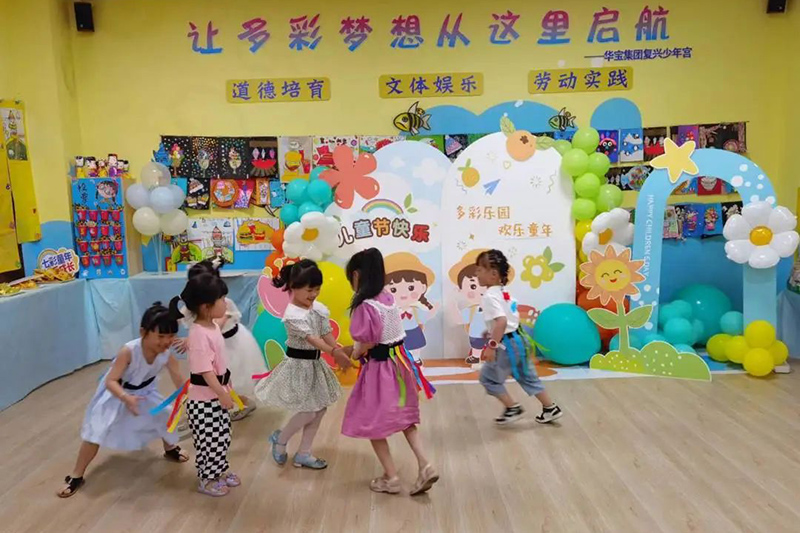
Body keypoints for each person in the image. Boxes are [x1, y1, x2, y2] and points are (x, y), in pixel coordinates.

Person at [57, 302, 189, 498]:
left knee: (164, 416)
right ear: (143, 332)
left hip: (144, 392)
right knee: (95, 432)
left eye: (171, 336)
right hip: (117, 393)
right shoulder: (128, 351)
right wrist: (126, 398)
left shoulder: (166, 355)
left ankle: (170, 448)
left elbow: (178, 378)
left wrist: (191, 396)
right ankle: (76, 475)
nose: (166, 341)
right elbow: (110, 380)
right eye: (161, 336)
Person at [342, 248, 439, 496]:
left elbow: (367, 343)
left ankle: (391, 477)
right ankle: (425, 464)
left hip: (380, 370)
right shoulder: (387, 297)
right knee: (406, 419)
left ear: (356, 275)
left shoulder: (365, 306)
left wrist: (352, 354)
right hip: (401, 364)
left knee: (372, 423)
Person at [254, 260, 349, 470]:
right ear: (293, 287)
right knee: (308, 411)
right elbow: (312, 339)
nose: (314, 294)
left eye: (317, 289)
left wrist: (338, 350)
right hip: (299, 367)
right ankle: (280, 439)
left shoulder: (319, 309)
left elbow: (326, 332)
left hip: (315, 365)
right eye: (309, 290)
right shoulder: (292, 315)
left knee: (320, 409)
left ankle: (304, 453)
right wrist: (334, 352)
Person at [170, 273, 239, 497]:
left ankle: (219, 471)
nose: (226, 303)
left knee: (222, 437)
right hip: (204, 402)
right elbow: (205, 371)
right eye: (222, 299)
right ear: (206, 306)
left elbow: (217, 360)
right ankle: (207, 479)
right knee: (209, 441)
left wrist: (225, 389)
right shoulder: (199, 334)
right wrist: (222, 393)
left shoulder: (211, 326)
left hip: (215, 396)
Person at [475, 250, 563, 425]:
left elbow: (501, 322)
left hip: (506, 345)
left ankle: (512, 408)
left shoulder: (489, 296)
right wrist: (491, 332)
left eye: (479, 270)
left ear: (493, 274)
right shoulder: (504, 292)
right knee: (527, 376)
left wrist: (491, 346)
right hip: (519, 340)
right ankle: (550, 408)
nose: (476, 274)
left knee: (488, 378)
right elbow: (508, 320)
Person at [176, 260, 263, 421]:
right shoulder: (194, 306)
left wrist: (192, 339)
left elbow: (215, 326)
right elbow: (181, 319)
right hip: (213, 348)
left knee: (229, 380)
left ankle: (241, 403)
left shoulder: (222, 303)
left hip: (232, 344)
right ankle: (212, 408)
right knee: (212, 379)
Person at [384, 252, 437, 366]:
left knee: (415, 347)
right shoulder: (391, 311)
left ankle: (416, 359)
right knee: (399, 349)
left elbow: (425, 317)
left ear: (423, 287)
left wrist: (433, 309)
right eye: (393, 290)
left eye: (410, 287)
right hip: (397, 334)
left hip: (413, 331)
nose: (403, 294)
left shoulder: (415, 310)